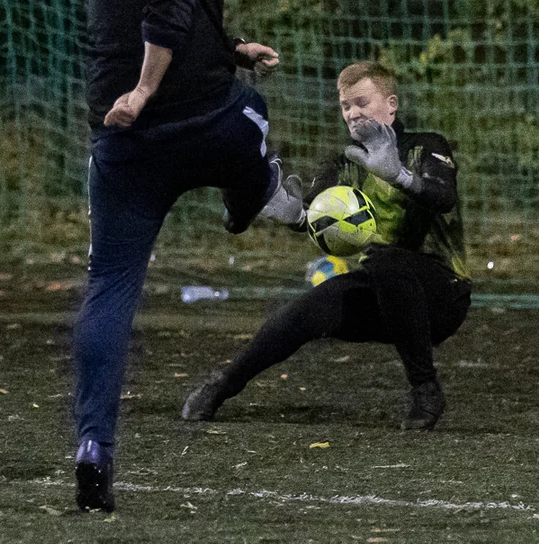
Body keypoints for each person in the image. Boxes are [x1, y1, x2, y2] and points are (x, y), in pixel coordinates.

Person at [74, 0, 287, 513]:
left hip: (121, 142)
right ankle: (250, 197)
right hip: (197, 122)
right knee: (253, 112)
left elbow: (148, 13)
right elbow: (167, 6)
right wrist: (144, 89)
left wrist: (229, 48)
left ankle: (91, 450)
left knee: (108, 289)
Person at [182, 60, 472, 432]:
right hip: (386, 292)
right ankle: (222, 388)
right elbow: (320, 223)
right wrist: (297, 218)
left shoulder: (426, 146)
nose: (352, 113)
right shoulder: (341, 165)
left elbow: (444, 197)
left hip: (443, 295)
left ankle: (425, 390)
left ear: (391, 105)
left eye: (362, 102)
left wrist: (399, 175)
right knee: (309, 308)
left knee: (386, 262)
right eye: (346, 106)